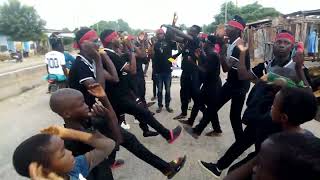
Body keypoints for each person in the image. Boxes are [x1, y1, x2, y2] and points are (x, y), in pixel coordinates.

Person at [197, 30, 312, 178]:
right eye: (279, 42)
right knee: (242, 142)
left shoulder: (298, 68)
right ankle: (218, 167)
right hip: (261, 114)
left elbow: (310, 100)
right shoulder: (267, 65)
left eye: (286, 43)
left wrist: (298, 69)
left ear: (292, 47)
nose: (282, 45)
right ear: (273, 45)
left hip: (279, 123)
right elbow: (243, 75)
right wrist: (244, 52)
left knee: (260, 155)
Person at [50, 88, 187, 179]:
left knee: (129, 138)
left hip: (101, 162)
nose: (87, 105)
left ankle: (166, 168)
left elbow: (116, 130)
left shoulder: (88, 120)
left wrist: (104, 99)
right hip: (97, 171)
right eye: (81, 104)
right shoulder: (76, 137)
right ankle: (166, 168)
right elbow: (115, 144)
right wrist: (108, 118)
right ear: (67, 113)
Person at [100, 29, 183, 140]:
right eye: (116, 37)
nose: (119, 38)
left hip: (123, 92)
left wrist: (132, 47)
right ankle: (167, 135)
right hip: (121, 95)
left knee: (131, 118)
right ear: (111, 40)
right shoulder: (110, 55)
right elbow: (132, 70)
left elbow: (143, 56)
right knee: (143, 113)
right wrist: (131, 52)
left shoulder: (113, 53)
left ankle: (155, 133)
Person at [12, 125, 115, 180]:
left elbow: (108, 145)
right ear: (45, 171)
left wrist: (71, 133)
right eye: (62, 154)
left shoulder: (73, 170)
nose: (70, 153)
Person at [180, 35, 222, 137]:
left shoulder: (212, 54)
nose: (203, 44)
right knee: (199, 103)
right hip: (209, 84)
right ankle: (193, 123)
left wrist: (193, 63)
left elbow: (204, 70)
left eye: (204, 42)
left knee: (209, 108)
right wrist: (199, 57)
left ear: (208, 43)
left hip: (212, 86)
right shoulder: (209, 54)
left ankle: (201, 129)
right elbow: (206, 66)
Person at [162, 24, 202, 120]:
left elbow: (181, 34)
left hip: (193, 73)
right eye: (190, 29)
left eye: (192, 30)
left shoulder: (195, 39)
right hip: (185, 72)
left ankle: (207, 114)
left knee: (195, 96)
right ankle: (183, 113)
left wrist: (171, 27)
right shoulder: (187, 41)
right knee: (183, 94)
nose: (189, 30)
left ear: (196, 33)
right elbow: (174, 37)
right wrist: (170, 29)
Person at [153, 28, 176, 113]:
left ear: (164, 34)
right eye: (158, 34)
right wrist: (154, 71)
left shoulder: (169, 42)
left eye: (161, 34)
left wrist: (172, 65)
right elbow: (154, 59)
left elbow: (172, 55)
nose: (160, 35)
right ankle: (160, 106)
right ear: (157, 35)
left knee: (168, 90)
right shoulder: (155, 45)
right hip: (159, 72)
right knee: (159, 90)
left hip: (167, 71)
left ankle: (167, 106)